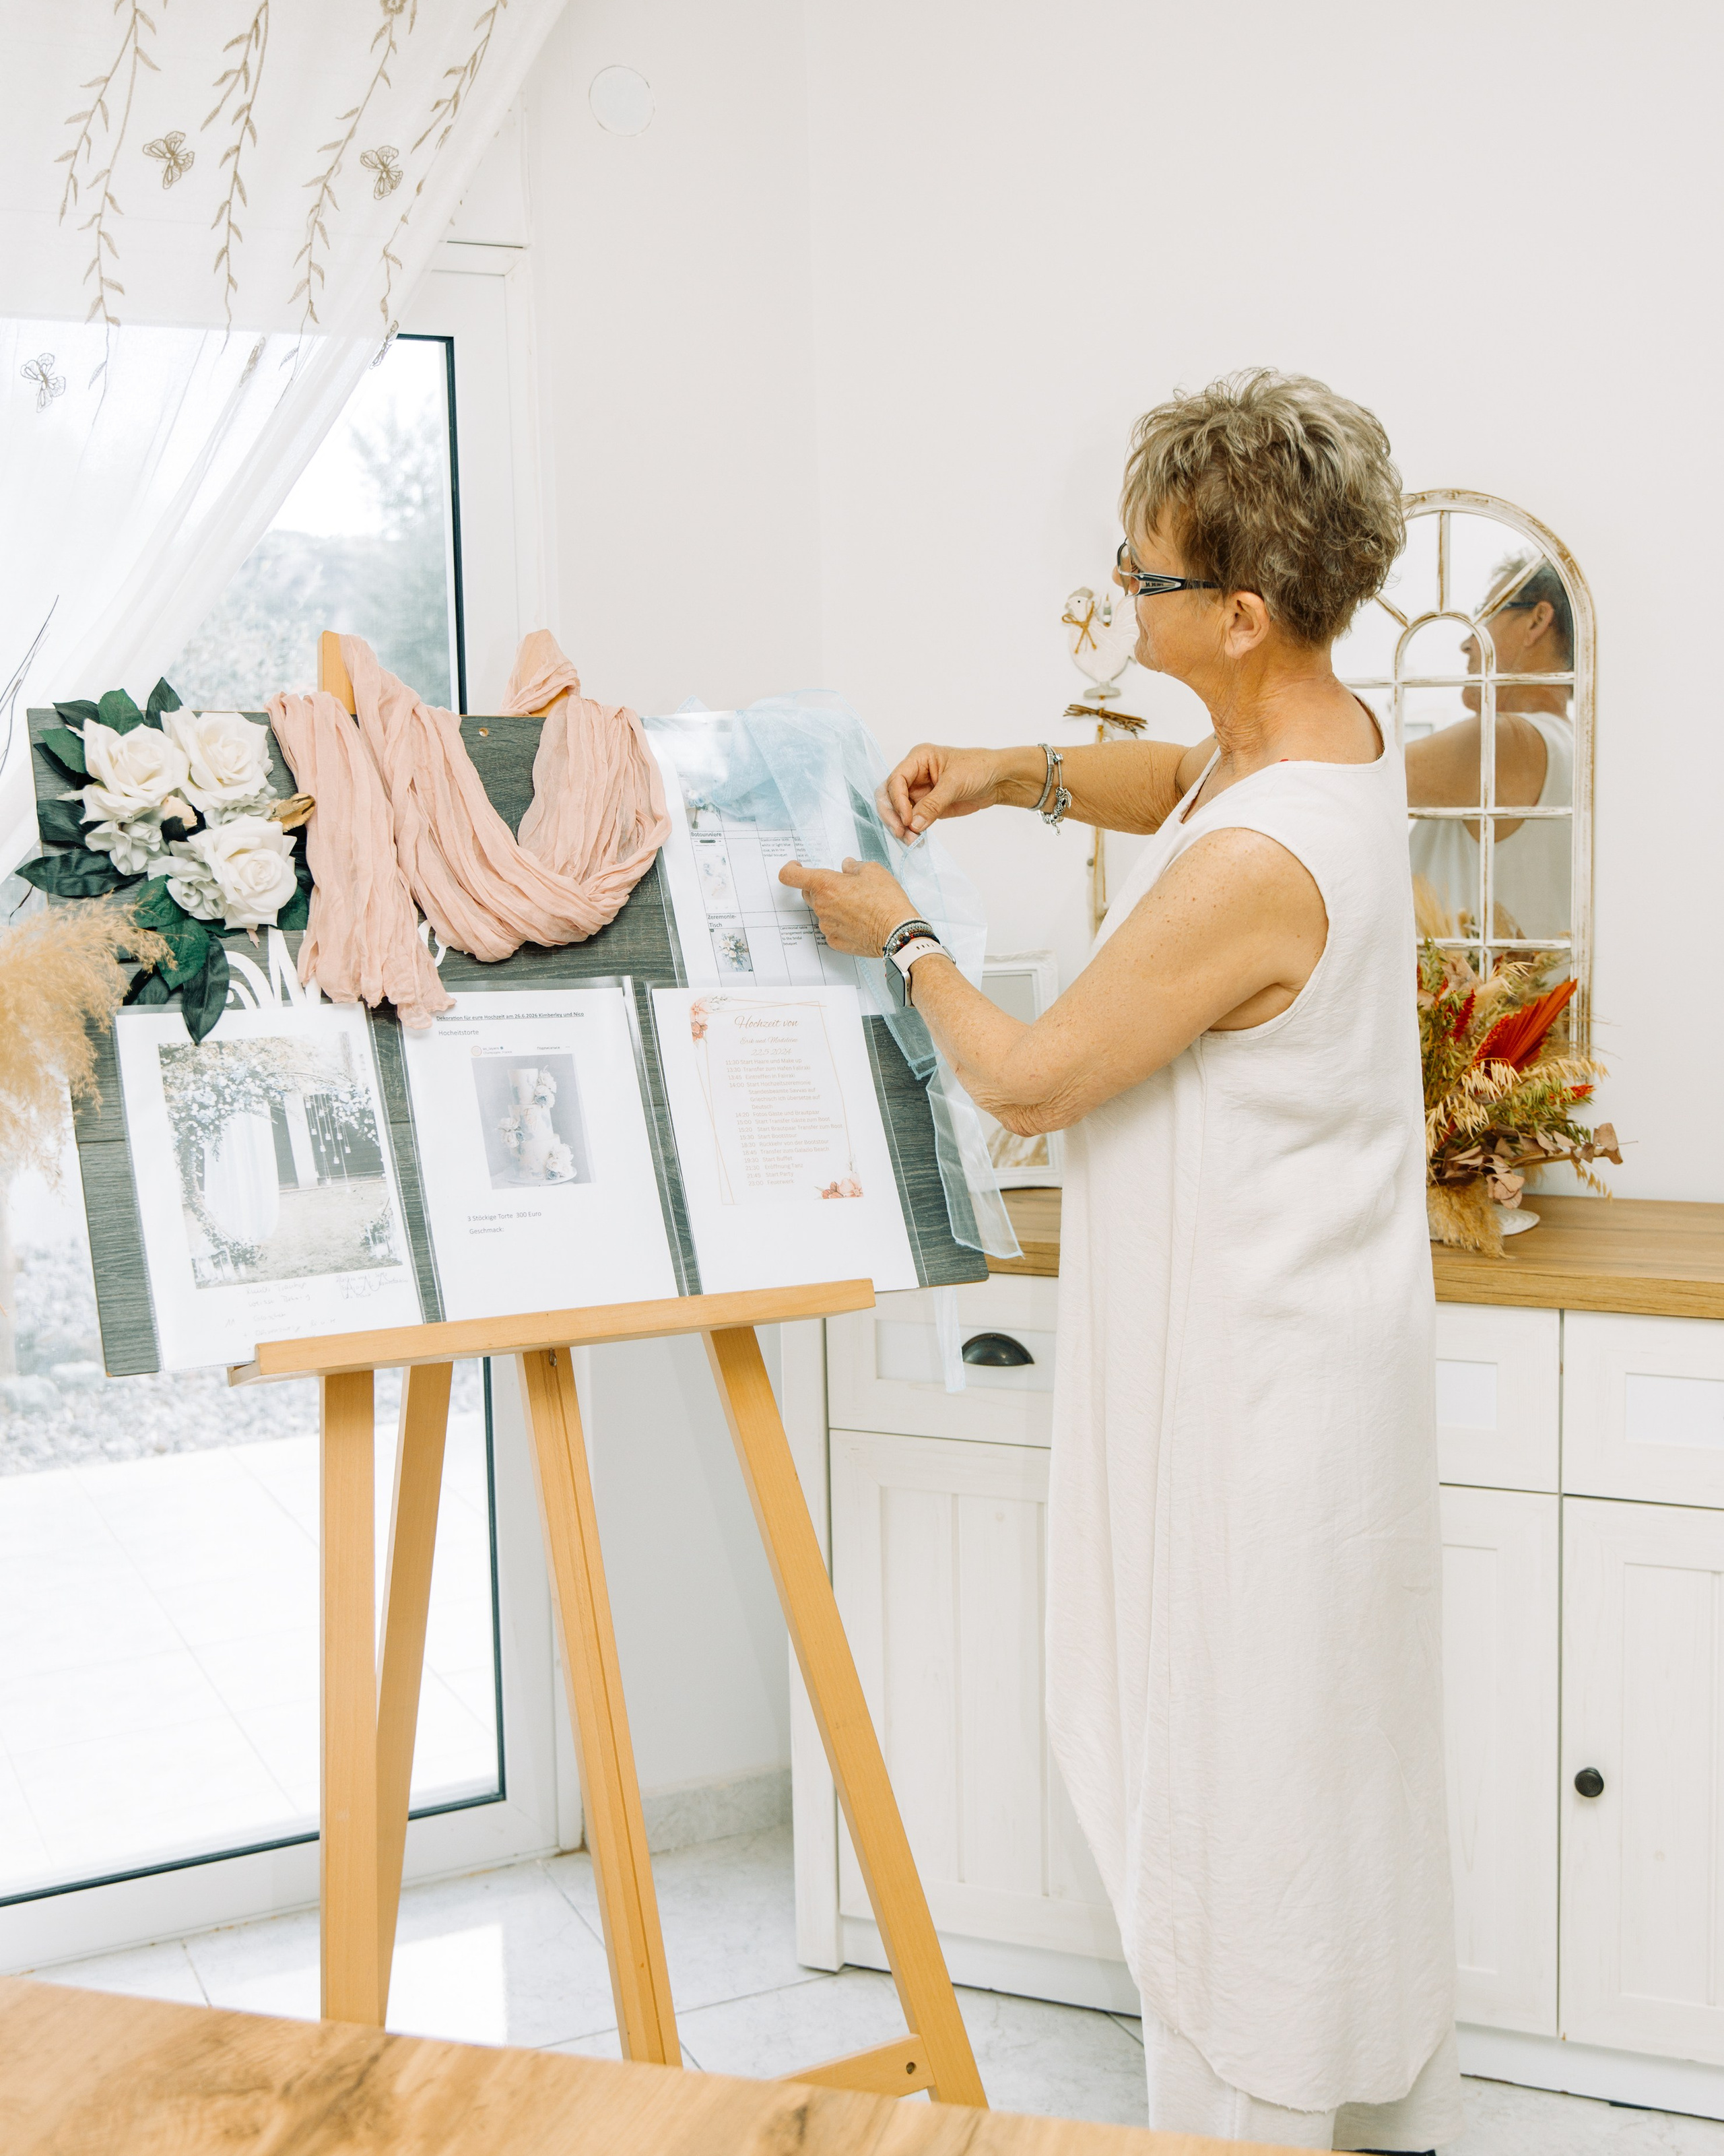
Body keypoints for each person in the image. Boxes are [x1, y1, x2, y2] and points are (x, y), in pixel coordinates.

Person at [781, 370, 1460, 2151]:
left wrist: (896, 930)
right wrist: (1017, 770)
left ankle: (1253, 2110)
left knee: (1245, 1791)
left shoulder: (1255, 862)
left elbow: (1023, 1077)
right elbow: (1189, 779)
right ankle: (1350, 2096)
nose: (1126, 597)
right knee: (1321, 1773)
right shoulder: (1327, 737)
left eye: (1146, 578)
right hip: (1320, 1358)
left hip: (1257, 1397)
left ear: (1241, 613)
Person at [1405, 553, 1574, 940]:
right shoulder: (1575, 751)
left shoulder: (1506, 742)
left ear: (1536, 621)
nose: (1468, 642)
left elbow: (1343, 778)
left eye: (1485, 614)